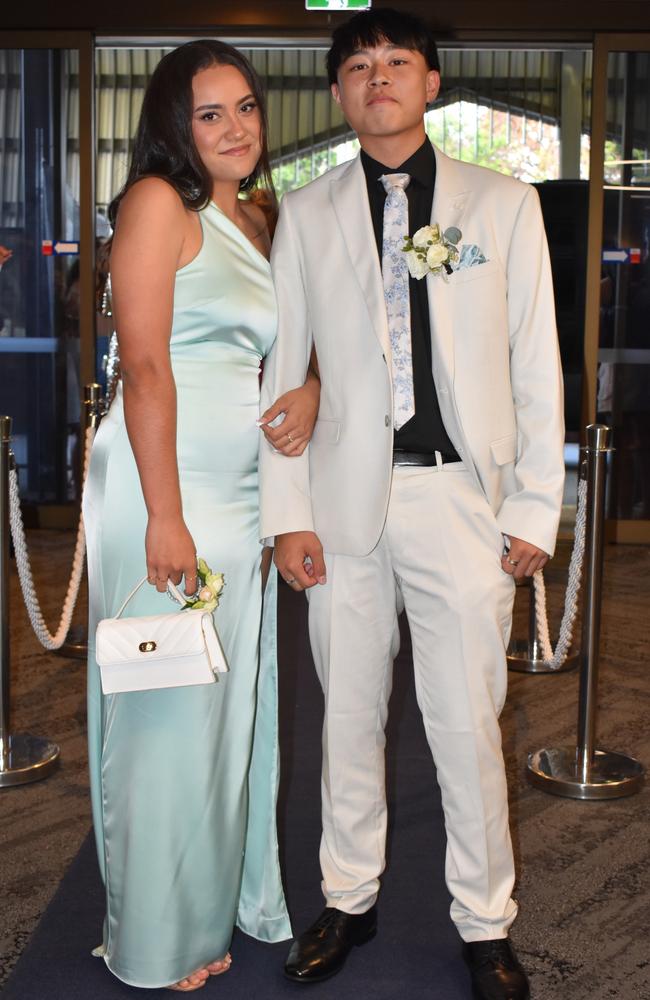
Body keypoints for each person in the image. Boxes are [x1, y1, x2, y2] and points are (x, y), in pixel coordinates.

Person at [259, 9, 564, 1000]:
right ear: (340, 94)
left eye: (394, 61)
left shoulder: (502, 202)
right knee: (343, 714)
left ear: (431, 83)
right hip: (344, 504)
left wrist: (531, 506)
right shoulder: (302, 213)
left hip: (461, 502)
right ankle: (347, 897)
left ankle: (484, 922)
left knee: (464, 723)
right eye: (356, 65)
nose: (375, 76)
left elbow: (533, 361)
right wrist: (285, 512)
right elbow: (285, 372)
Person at [83, 39, 320, 992]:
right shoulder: (155, 202)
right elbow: (145, 364)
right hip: (163, 487)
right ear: (174, 126)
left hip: (237, 488)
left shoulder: (252, 219)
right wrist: (166, 514)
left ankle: (214, 902)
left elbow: (271, 350)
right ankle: (157, 937)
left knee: (228, 708)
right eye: (209, 113)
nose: (236, 127)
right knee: (168, 718)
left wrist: (306, 387)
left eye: (246, 107)